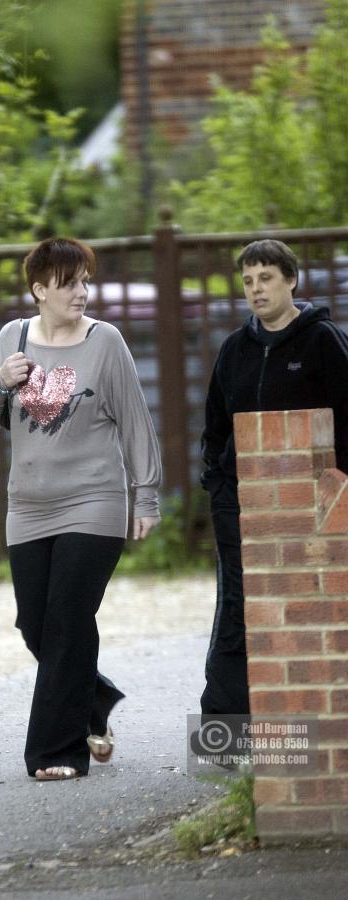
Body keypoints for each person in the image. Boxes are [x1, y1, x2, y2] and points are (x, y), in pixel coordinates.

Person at [0, 237, 162, 780]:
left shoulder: (106, 342)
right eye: (70, 283)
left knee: (66, 619)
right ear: (39, 290)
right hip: (28, 507)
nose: (83, 292)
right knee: (37, 624)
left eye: (85, 281)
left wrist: (144, 495)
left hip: (94, 501)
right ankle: (94, 702)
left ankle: (56, 752)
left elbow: (134, 420)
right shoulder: (13, 337)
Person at [200, 238, 348, 716]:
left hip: (314, 506)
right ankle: (226, 734)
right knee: (238, 611)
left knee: (310, 610)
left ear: (291, 280)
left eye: (265, 278)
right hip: (240, 505)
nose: (256, 289)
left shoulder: (323, 341)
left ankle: (309, 723)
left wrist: (335, 489)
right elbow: (214, 430)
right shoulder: (234, 351)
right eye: (248, 281)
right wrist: (220, 490)